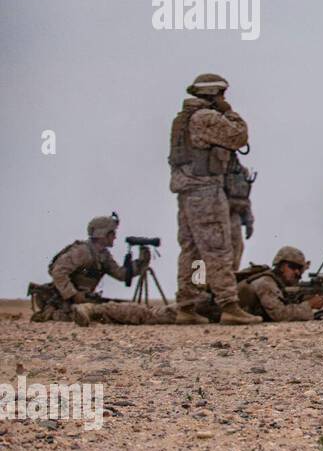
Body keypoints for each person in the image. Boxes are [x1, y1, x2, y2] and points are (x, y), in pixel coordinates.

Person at [168, 73, 261, 325]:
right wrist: (229, 112)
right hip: (206, 192)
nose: (224, 99)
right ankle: (229, 306)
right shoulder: (205, 117)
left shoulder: (182, 120)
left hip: (187, 195)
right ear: (213, 94)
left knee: (193, 251)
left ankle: (187, 306)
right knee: (218, 249)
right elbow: (239, 136)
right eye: (222, 95)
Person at [30, 215, 171, 325]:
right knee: (119, 312)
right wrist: (73, 295)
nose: (115, 237)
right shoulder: (82, 251)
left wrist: (142, 261)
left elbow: (121, 274)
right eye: (112, 233)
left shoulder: (103, 255)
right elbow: (58, 271)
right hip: (66, 301)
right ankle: (58, 312)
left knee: (122, 308)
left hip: (83, 299)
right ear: (103, 234)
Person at [236, 246, 323, 322]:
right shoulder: (266, 283)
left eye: (300, 268)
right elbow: (280, 314)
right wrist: (309, 305)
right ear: (281, 266)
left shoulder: (278, 283)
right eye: (293, 267)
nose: (297, 272)